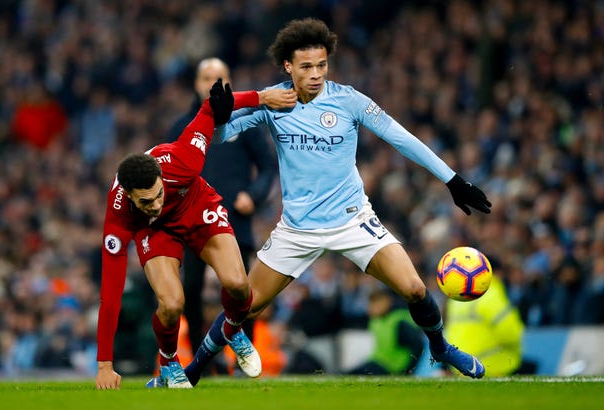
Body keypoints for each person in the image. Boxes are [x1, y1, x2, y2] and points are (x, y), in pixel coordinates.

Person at [185, 17, 490, 386]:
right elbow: (219, 138)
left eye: (322, 65)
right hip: (297, 230)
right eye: (307, 66)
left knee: (414, 289)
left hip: (353, 221)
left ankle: (440, 348)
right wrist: (215, 116)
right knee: (243, 306)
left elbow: (401, 137)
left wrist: (453, 180)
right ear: (288, 66)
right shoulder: (273, 100)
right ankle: (193, 370)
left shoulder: (349, 100)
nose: (316, 74)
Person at [94, 79, 293, 389]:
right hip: (155, 231)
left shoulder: (184, 159)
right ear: (130, 196)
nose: (156, 203)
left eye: (158, 194)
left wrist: (263, 96)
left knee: (240, 287)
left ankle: (232, 329)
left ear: (161, 178)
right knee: (172, 304)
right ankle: (170, 364)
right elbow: (110, 294)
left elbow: (211, 107)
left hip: (196, 208)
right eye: (146, 201)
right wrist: (105, 365)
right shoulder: (119, 215)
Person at [166, 58, 277, 350]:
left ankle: (245, 351)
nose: (212, 84)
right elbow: (166, 174)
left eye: (219, 77)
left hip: (233, 220)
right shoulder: (180, 126)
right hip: (191, 223)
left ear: (229, 82)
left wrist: (253, 195)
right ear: (195, 84)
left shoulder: (244, 123)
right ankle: (199, 353)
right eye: (206, 78)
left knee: (240, 287)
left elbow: (267, 166)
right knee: (190, 289)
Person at [443, 257, 526, 377]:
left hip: (460, 366)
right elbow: (511, 334)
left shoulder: (456, 298)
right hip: (492, 365)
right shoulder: (492, 295)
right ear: (495, 272)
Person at [347, 289, 424, 376]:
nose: (371, 307)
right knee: (353, 372)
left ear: (387, 301)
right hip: (377, 363)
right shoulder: (376, 321)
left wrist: (407, 371)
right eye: (371, 303)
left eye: (375, 303)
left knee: (354, 374)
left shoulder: (399, 321)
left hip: (392, 369)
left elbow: (418, 347)